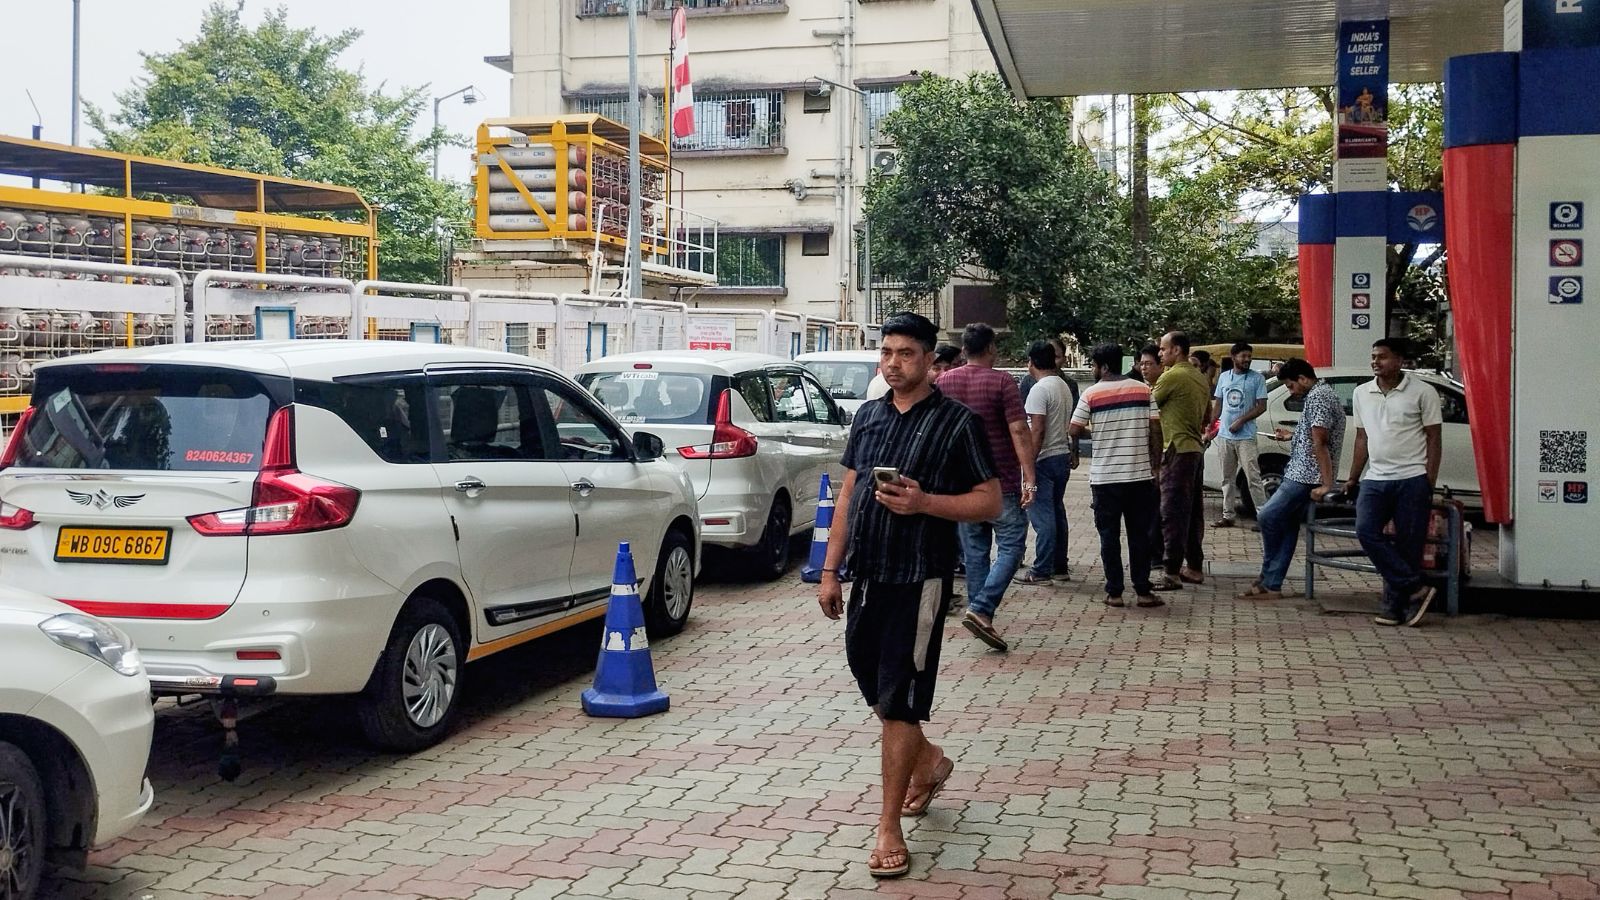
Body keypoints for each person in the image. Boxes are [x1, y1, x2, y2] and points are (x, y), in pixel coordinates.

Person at [815, 312, 1001, 880]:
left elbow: (990, 503)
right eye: (887, 353)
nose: (893, 363)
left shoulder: (957, 424)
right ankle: (930, 761)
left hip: (919, 579)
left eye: (906, 354)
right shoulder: (868, 416)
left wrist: (926, 504)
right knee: (869, 679)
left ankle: (888, 825)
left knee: (897, 700)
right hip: (868, 575)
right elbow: (848, 494)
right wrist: (829, 569)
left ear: (930, 361)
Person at [936, 323, 1037, 653]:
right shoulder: (1002, 381)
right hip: (1000, 478)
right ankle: (982, 608)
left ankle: (979, 611)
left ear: (964, 349)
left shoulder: (944, 381)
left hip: (960, 481)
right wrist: (1029, 477)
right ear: (991, 348)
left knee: (975, 548)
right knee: (1012, 543)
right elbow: (1020, 430)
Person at [1345, 339, 1442, 627]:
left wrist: (1429, 480)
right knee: (1366, 531)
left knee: (1408, 545)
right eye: (1373, 357)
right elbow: (1362, 438)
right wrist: (1353, 476)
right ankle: (1415, 587)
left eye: (1383, 357)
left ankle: (1396, 607)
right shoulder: (1362, 392)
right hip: (1375, 478)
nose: (1376, 362)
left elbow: (1434, 437)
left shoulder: (1424, 392)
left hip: (1412, 478)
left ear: (1399, 360)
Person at [1238, 359, 1343, 601]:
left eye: (1290, 385)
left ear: (1303, 379)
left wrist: (1326, 483)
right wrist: (1292, 437)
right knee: (1285, 525)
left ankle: (1269, 576)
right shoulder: (1319, 395)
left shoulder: (1319, 397)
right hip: (1300, 470)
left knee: (1268, 517)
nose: (1290, 390)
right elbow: (1313, 435)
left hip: (1305, 475)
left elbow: (1321, 441)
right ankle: (1270, 581)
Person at [1070, 343, 1163, 608]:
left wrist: (1096, 433)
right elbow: (1156, 431)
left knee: (1108, 536)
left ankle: (1115, 593)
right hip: (1139, 476)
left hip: (1105, 478)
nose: (1093, 369)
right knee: (1139, 535)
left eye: (1094, 365)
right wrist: (1155, 467)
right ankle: (1143, 592)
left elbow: (1074, 429)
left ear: (1104, 366)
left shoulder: (1091, 394)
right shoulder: (1144, 390)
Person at [1151, 331, 1212, 592]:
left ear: (1176, 350)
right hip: (1194, 449)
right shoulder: (1199, 377)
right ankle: (1194, 567)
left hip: (1176, 449)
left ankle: (1171, 572)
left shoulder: (1172, 376)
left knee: (1172, 511)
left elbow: (1148, 405)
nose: (1160, 354)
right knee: (1192, 512)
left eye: (1163, 350)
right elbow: (1207, 415)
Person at [1015, 340, 1076, 585]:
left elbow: (1036, 429)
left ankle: (1041, 570)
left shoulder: (1039, 389)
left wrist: (1029, 461)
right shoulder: (1062, 385)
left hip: (1044, 458)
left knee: (1042, 517)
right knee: (1057, 512)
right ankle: (1060, 565)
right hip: (1061, 455)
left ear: (1032, 362)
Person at [1211, 341, 1270, 527]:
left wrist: (1241, 420)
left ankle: (1263, 517)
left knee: (1253, 477)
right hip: (1225, 436)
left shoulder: (1257, 379)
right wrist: (1211, 424)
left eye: (1249, 357)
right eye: (1243, 356)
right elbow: (1219, 404)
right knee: (1226, 477)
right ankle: (1228, 515)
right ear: (1234, 356)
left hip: (1246, 436)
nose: (1247, 360)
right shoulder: (1224, 377)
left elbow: (1261, 406)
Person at [1135, 345, 1166, 570]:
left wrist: (1156, 464)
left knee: (1155, 509)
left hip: (1160, 456)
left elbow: (1156, 429)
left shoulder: (1158, 390)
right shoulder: (1147, 388)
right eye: (1142, 364)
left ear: (1160, 365)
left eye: (1149, 364)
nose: (1144, 368)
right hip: (1146, 457)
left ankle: (1156, 554)